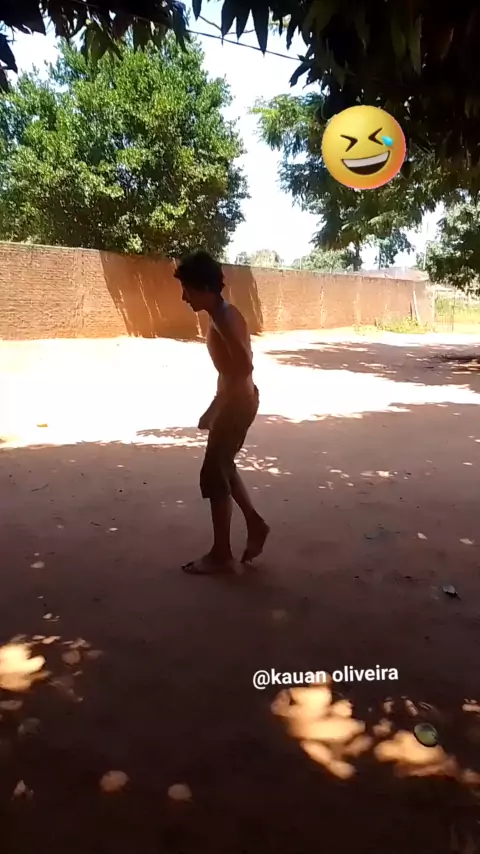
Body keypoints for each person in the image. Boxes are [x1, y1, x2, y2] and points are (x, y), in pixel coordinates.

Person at [174, 249, 269, 574]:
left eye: (187, 289)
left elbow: (243, 367)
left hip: (236, 406)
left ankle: (221, 555)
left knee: (214, 475)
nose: (184, 297)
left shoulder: (226, 318)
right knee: (223, 466)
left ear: (204, 288)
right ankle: (255, 524)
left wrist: (214, 408)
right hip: (238, 402)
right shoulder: (222, 315)